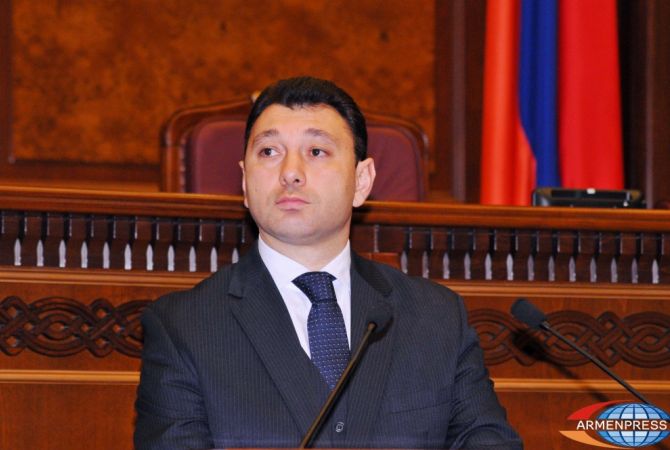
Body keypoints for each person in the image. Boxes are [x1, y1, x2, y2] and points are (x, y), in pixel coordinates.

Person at [134, 76, 523, 450]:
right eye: (269, 152)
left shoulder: (437, 318)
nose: (290, 173)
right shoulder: (183, 328)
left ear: (362, 181)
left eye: (316, 152)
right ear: (245, 182)